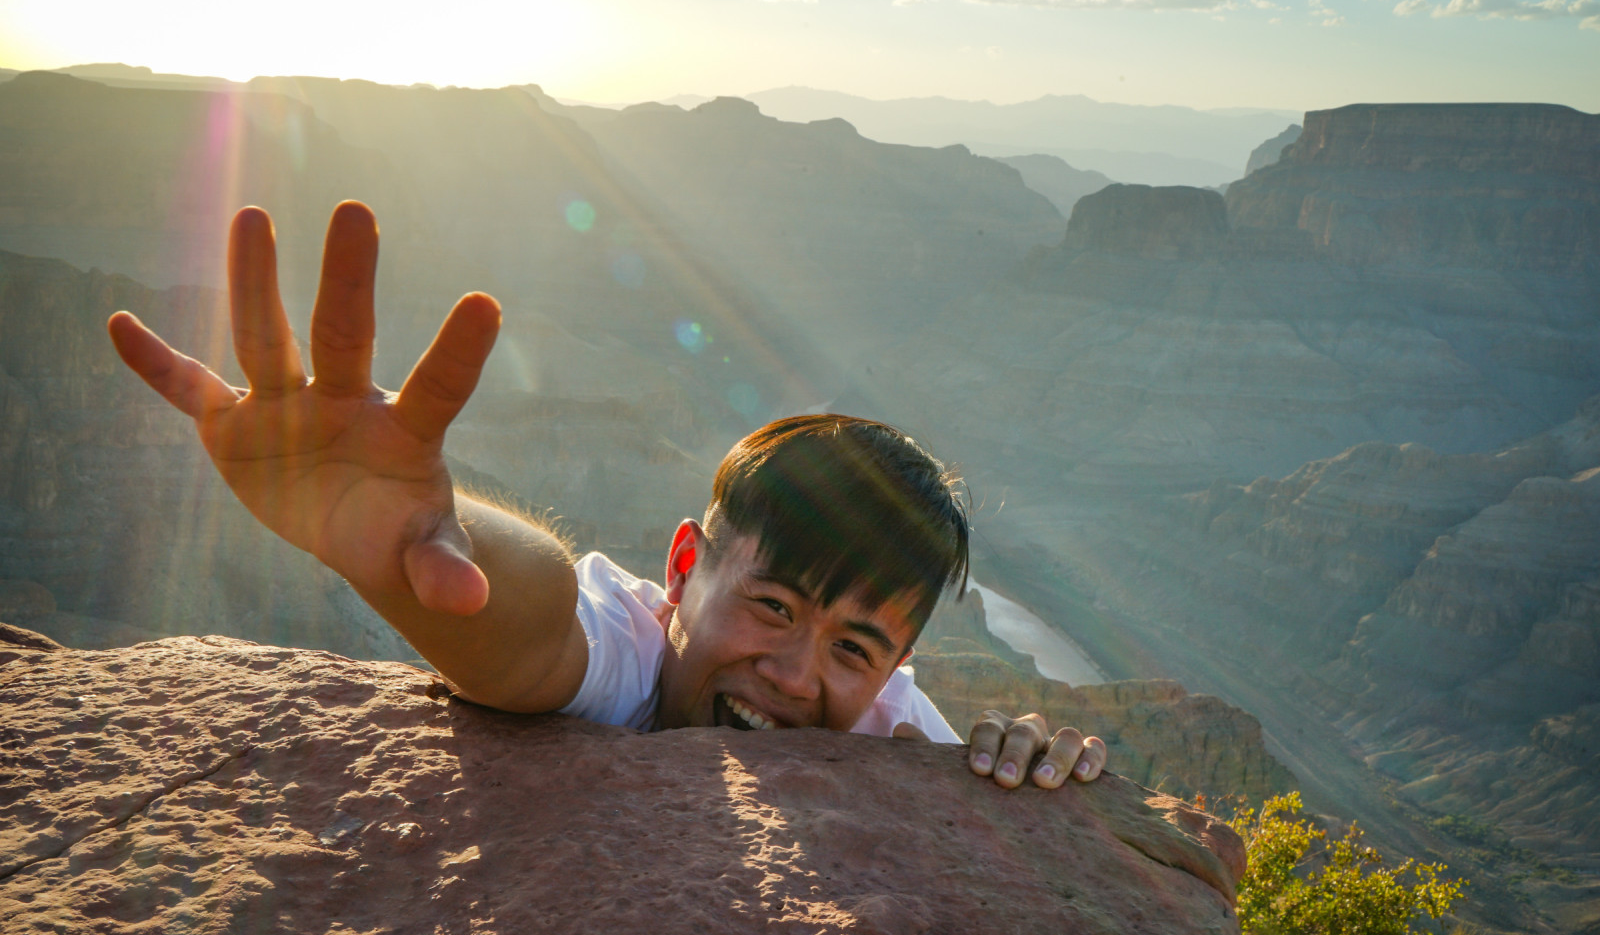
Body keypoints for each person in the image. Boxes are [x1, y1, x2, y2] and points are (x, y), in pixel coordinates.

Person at [107, 201, 1107, 790]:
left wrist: (1027, 771)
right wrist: (422, 532)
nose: (797, 674)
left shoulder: (895, 728)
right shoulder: (629, 651)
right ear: (682, 568)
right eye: (773, 605)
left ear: (894, 667)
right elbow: (534, 629)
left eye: (854, 648)